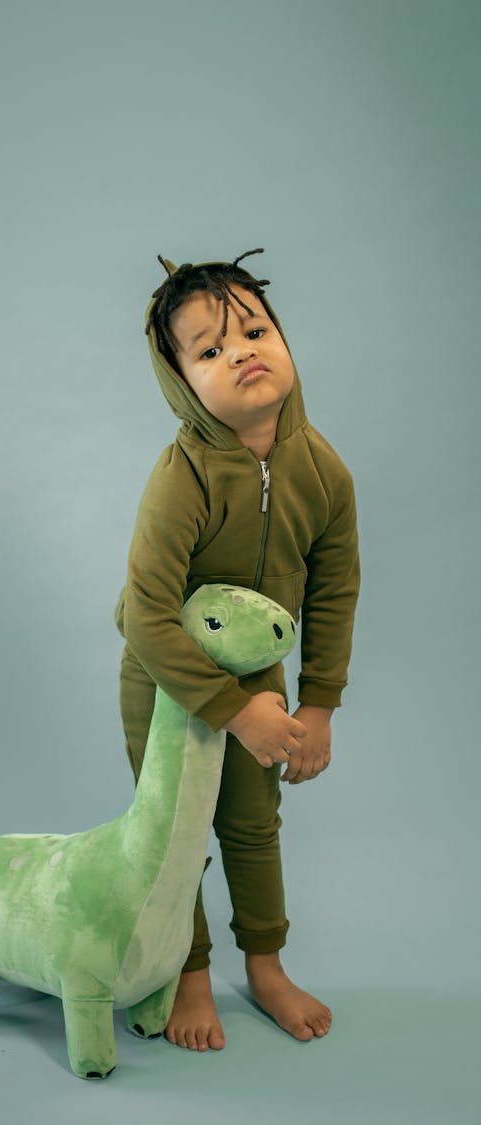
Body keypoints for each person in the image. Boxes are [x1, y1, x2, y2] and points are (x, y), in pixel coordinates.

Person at [115, 249, 359, 1052]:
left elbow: (333, 592)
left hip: (259, 672)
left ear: (282, 336)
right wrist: (227, 708)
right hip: (165, 680)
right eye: (210, 349)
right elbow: (148, 615)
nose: (241, 351)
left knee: (255, 826)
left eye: (253, 329)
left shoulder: (324, 473)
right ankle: (189, 971)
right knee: (177, 830)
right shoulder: (182, 477)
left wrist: (314, 704)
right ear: (183, 382)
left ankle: (266, 966)